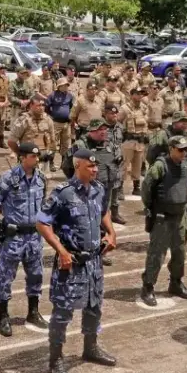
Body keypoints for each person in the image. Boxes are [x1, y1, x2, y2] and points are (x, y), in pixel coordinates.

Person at [38, 149, 118, 373]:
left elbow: (103, 212)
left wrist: (111, 233)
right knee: (63, 312)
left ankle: (90, 347)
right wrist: (61, 251)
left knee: (94, 306)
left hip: (94, 261)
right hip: (71, 263)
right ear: (77, 167)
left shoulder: (98, 190)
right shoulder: (63, 194)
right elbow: (42, 223)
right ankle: (55, 359)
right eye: (90, 166)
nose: (95, 170)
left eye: (96, 167)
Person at [0, 142, 48, 336]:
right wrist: (11, 216)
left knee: (36, 275)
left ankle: (33, 311)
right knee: (5, 277)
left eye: (37, 156)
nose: (37, 160)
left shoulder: (41, 178)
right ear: (22, 157)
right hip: (14, 237)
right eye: (33, 156)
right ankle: (3, 315)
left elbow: (43, 204)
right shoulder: (9, 178)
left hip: (34, 237)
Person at [139, 135, 187, 306]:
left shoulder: (186, 166)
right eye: (180, 150)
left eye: (186, 150)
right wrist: (152, 209)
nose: (184, 153)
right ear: (171, 149)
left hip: (180, 216)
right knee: (157, 254)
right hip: (162, 217)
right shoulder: (159, 167)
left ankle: (176, 282)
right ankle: (148, 286)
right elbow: (146, 189)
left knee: (180, 252)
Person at [65, 119, 124, 255]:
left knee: (102, 218)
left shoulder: (110, 144)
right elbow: (67, 166)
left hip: (104, 189)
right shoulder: (80, 145)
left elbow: (117, 161)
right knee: (84, 221)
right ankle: (78, 250)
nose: (103, 132)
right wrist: (79, 184)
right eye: (99, 130)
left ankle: (100, 251)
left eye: (105, 129)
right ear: (91, 131)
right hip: (85, 191)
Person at [120, 87, 152, 195]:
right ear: (132, 95)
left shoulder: (144, 108)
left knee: (138, 165)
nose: (140, 96)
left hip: (140, 141)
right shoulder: (125, 108)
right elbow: (118, 123)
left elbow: (146, 123)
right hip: (128, 141)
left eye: (141, 94)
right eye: (137, 94)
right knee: (124, 165)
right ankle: (119, 188)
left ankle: (136, 187)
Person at [9, 96, 55, 169]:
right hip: (28, 159)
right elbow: (11, 142)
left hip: (43, 158)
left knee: (42, 179)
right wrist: (21, 154)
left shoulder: (48, 119)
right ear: (31, 105)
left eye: (43, 105)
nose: (42, 107)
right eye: (39, 105)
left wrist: (48, 153)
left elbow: (52, 139)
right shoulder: (23, 120)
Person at [46, 78, 76, 167]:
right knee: (53, 143)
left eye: (66, 85)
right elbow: (47, 107)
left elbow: (72, 107)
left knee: (66, 144)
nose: (65, 87)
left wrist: (70, 117)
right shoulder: (52, 95)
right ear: (59, 86)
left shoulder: (70, 95)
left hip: (66, 124)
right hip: (55, 123)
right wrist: (51, 116)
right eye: (63, 85)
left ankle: (64, 163)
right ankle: (51, 163)